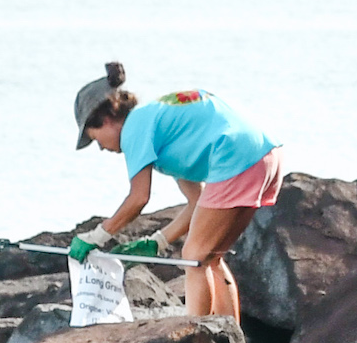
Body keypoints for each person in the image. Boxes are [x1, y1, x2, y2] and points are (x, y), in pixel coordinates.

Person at [71, 62, 282, 325]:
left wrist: (97, 236)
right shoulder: (159, 124)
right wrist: (158, 241)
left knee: (193, 257)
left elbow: (138, 198)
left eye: (95, 138)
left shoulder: (135, 129)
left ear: (106, 119)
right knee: (210, 256)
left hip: (235, 156)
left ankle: (195, 334)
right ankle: (232, 340)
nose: (101, 148)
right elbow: (197, 201)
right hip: (266, 155)